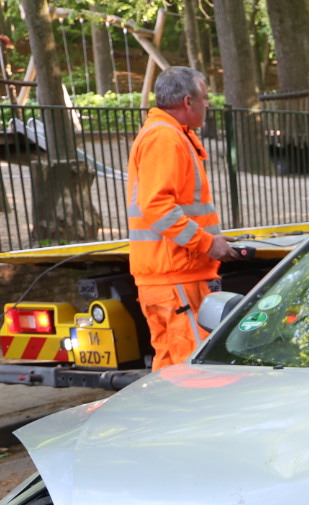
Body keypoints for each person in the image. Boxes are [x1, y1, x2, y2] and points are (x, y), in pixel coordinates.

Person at [126, 66, 235, 370]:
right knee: (193, 373)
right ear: (188, 102)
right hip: (176, 276)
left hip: (171, 276)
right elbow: (157, 205)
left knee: (172, 369)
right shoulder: (165, 138)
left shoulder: (167, 135)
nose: (208, 106)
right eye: (205, 99)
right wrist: (207, 243)